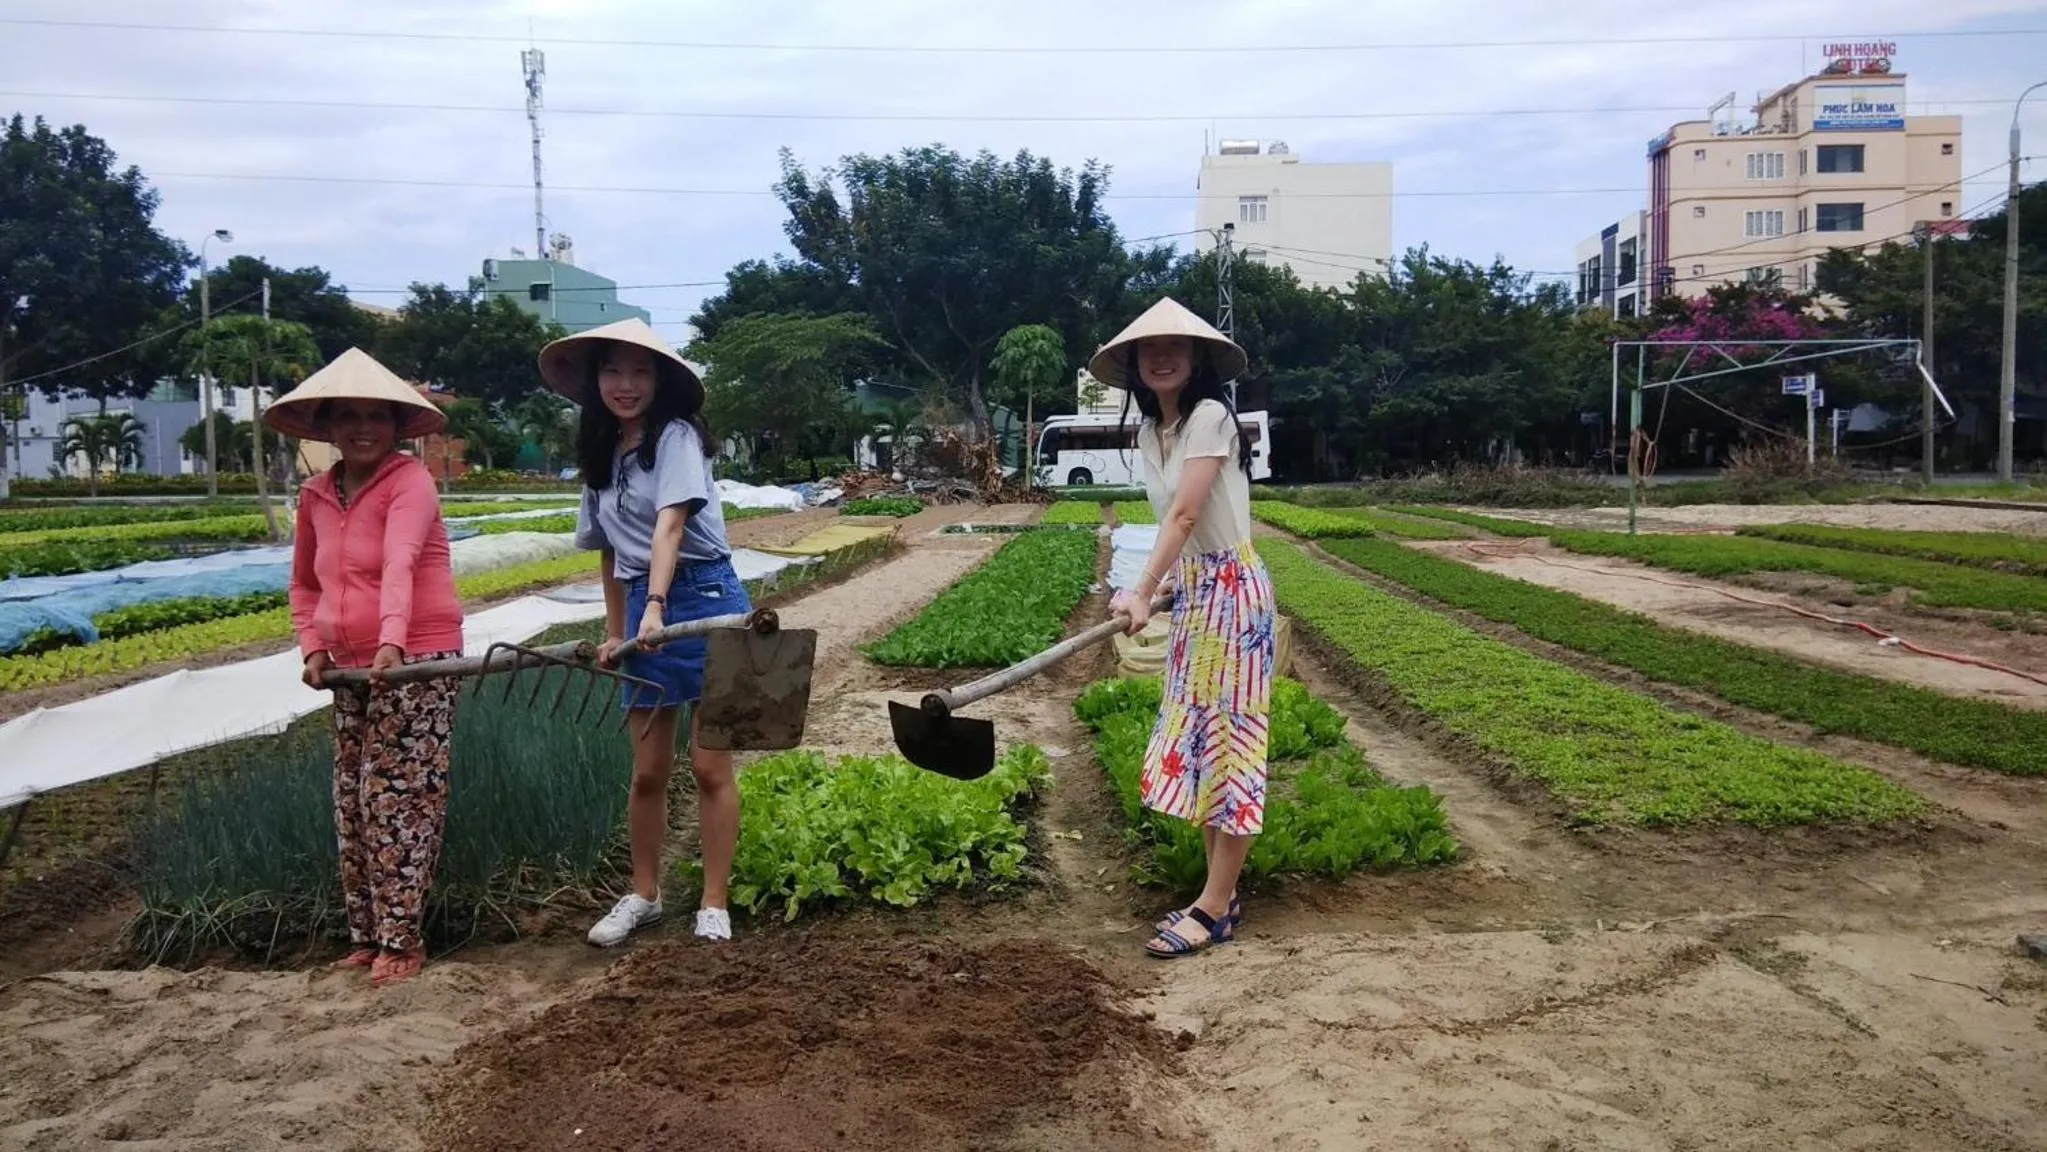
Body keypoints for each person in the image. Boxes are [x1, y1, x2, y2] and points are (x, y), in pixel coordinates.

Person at [536, 318, 748, 947]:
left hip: (705, 597)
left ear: (660, 381)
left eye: (640, 372)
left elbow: (671, 527)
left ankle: (714, 901)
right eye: (612, 371)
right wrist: (616, 628)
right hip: (641, 606)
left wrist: (655, 607)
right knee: (647, 772)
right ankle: (644, 895)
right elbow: (607, 552)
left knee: (710, 767)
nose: (625, 385)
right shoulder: (602, 454)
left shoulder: (676, 436)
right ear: (595, 380)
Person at [270, 347, 466, 988]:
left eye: (375, 417)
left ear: (395, 425)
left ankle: (402, 939)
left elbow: (401, 562)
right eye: (348, 417)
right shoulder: (316, 496)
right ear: (327, 427)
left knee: (400, 801)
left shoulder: (410, 482)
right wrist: (311, 646)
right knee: (353, 804)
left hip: (416, 659)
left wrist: (392, 643)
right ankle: (365, 935)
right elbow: (303, 584)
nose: (362, 428)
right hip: (348, 668)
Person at [1093, 298, 1274, 959]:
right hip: (1200, 593)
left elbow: (1189, 516)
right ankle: (1214, 894)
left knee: (1230, 744)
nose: (1161, 356)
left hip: (1235, 598)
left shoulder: (1208, 418)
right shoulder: (1150, 432)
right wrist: (1171, 588)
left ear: (1197, 358)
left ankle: (1216, 906)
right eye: (1147, 349)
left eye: (1175, 346)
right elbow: (1188, 532)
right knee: (1200, 744)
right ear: (1133, 366)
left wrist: (1140, 589)